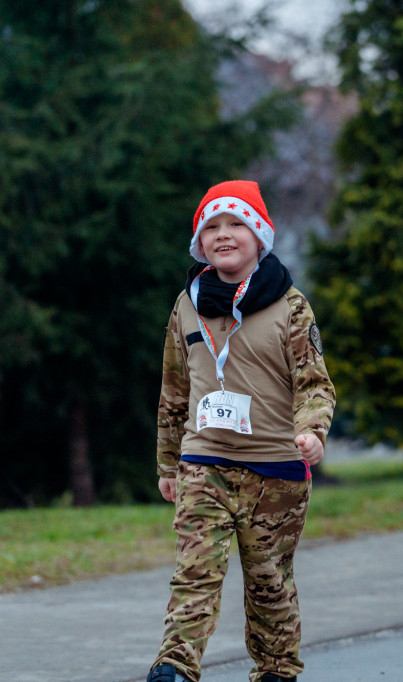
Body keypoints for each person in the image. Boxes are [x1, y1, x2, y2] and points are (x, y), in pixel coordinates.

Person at [147, 180, 336, 682]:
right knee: (196, 570)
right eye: (211, 227)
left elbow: (315, 384)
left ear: (259, 237)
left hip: (276, 468)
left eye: (236, 224)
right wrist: (168, 463)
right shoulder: (186, 305)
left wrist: (312, 431)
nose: (223, 235)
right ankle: (174, 666)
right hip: (203, 462)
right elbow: (173, 391)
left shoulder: (290, 306)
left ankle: (276, 669)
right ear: (199, 242)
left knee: (268, 579)